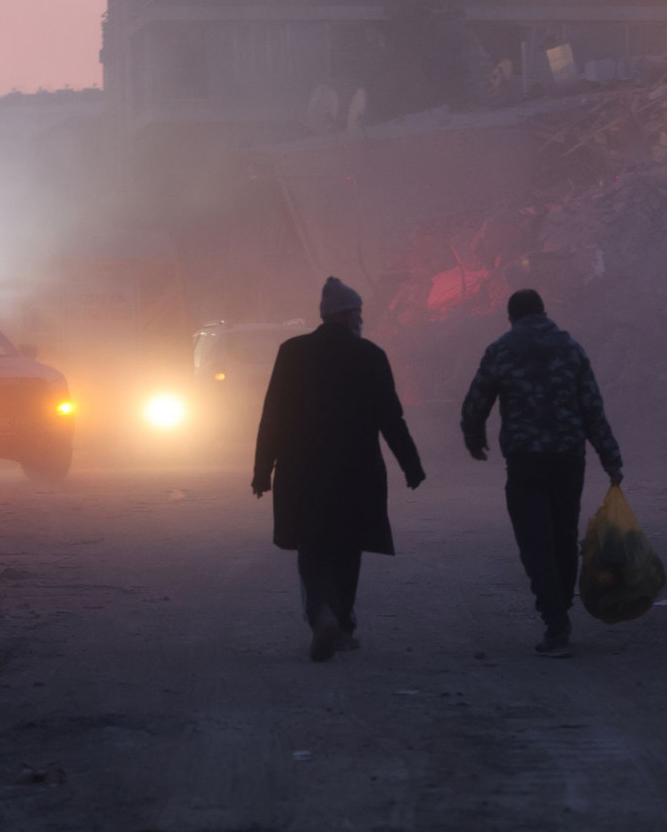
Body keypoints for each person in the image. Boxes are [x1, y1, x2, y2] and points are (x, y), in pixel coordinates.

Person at [252, 276, 426, 662]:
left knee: (311, 546)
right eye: (358, 314)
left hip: (302, 472)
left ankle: (321, 614)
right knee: (348, 548)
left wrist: (262, 471)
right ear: (349, 316)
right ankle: (343, 626)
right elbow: (390, 418)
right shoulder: (370, 355)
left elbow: (273, 416)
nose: (360, 320)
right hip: (356, 472)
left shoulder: (292, 352)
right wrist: (411, 464)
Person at [460, 289, 623, 659]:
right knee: (564, 535)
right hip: (568, 458)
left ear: (511, 318)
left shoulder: (502, 349)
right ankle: (561, 605)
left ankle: (554, 618)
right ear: (544, 312)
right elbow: (592, 408)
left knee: (535, 541)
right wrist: (611, 459)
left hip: (526, 460)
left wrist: (474, 439)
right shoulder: (571, 349)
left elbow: (476, 400)